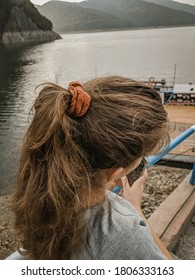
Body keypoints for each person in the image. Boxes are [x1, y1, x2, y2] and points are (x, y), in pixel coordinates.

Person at [9, 76, 172, 260]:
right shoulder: (127, 232)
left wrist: (101, 187)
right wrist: (136, 209)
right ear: (116, 172)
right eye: (140, 159)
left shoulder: (43, 203)